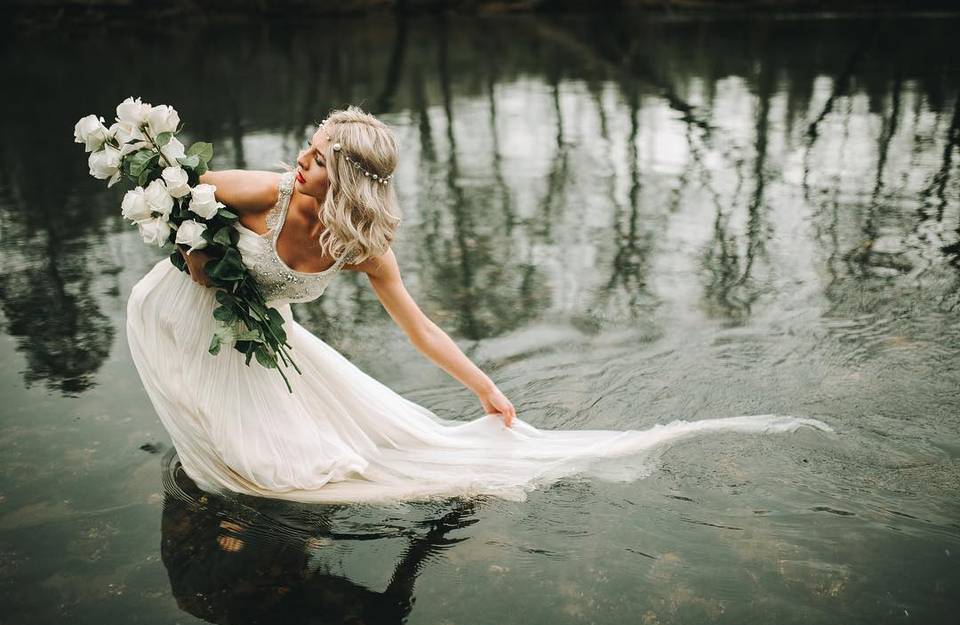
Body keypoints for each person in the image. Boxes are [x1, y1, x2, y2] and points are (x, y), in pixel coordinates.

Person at [126, 105, 828, 504]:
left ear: (341, 178)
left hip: (258, 334)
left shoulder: (362, 247)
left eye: (314, 159)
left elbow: (419, 326)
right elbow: (176, 191)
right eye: (307, 152)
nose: (298, 163)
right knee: (221, 432)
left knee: (290, 468)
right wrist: (196, 258)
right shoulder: (263, 192)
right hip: (184, 310)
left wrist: (487, 389)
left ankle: (218, 512)